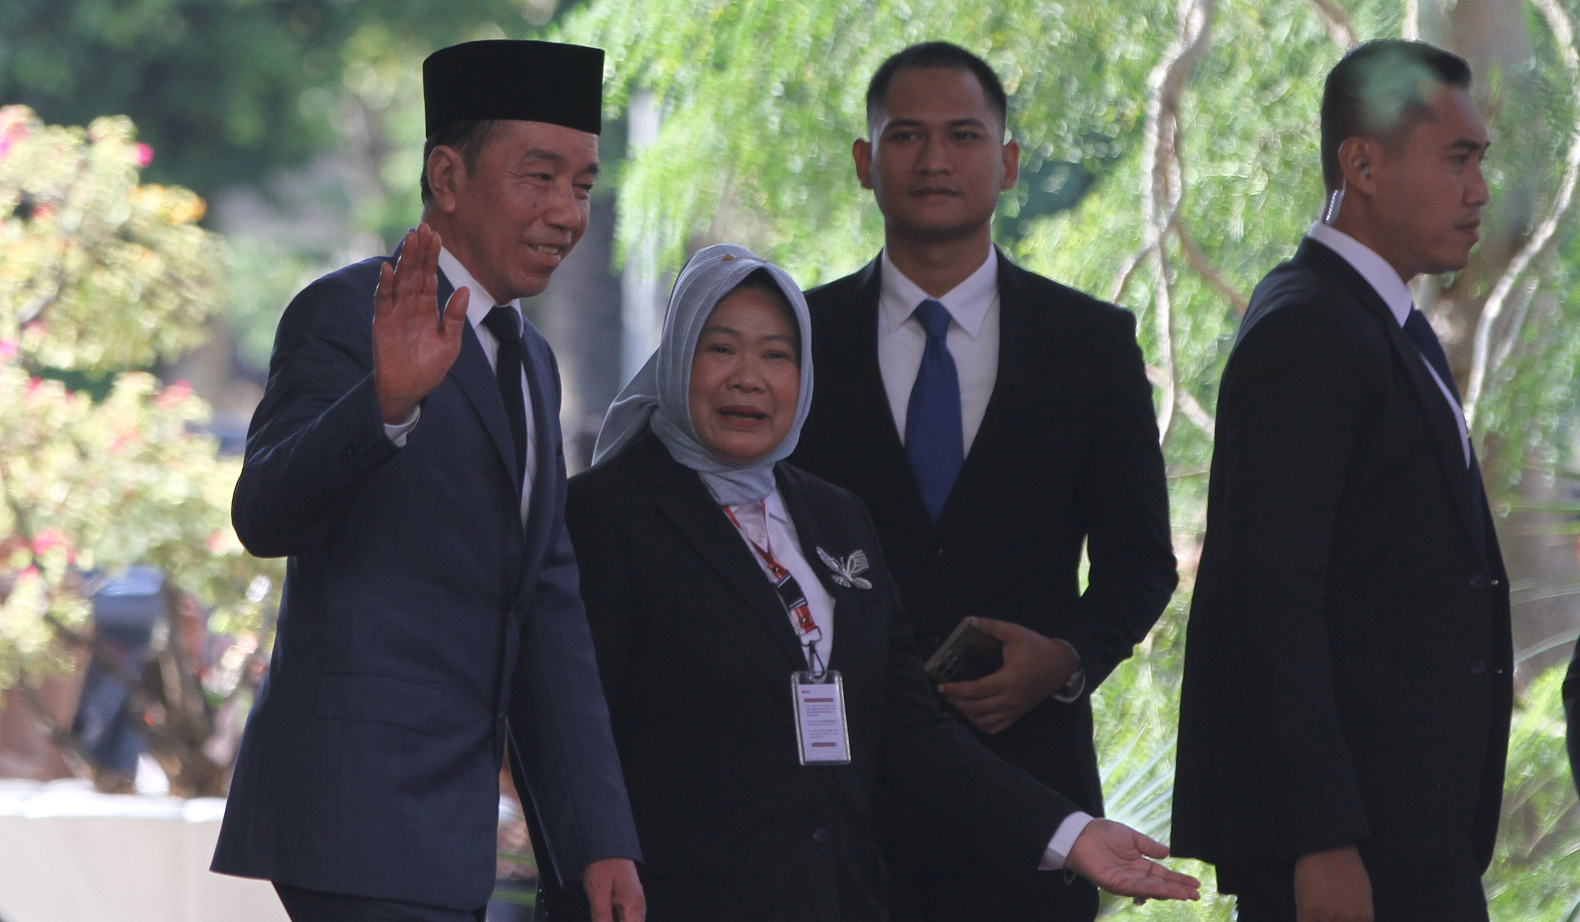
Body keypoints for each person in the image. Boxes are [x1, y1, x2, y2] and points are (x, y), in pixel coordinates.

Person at [551, 243, 1198, 922]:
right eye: (721, 350)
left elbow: (907, 729)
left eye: (776, 355)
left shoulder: (832, 515)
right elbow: (573, 729)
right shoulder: (605, 515)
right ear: (678, 358)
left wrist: (1069, 835)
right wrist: (596, 855)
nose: (749, 378)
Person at [210, 40, 644, 922]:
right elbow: (263, 511)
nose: (567, 212)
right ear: (447, 175)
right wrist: (387, 402)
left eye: (585, 185)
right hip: (355, 815)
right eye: (540, 176)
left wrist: (602, 835)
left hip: (466, 830)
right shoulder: (346, 312)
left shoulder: (534, 364)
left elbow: (548, 608)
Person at [787, 41, 1177, 922]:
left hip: (1032, 790)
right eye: (906, 136)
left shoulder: (1091, 344)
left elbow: (1141, 562)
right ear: (864, 162)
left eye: (962, 136)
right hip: (838, 798)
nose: (933, 159)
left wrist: (1067, 661)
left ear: (1005, 164)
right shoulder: (796, 340)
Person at [1171, 39, 1510, 922]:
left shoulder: (1388, 320)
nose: (1479, 190)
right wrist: (1321, 842)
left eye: (1482, 161)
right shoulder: (1308, 329)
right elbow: (1271, 600)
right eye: (1458, 159)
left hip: (1415, 839)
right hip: (1351, 856)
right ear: (1361, 164)